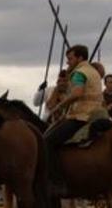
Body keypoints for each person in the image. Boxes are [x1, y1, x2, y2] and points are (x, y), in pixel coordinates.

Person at [43, 45, 103, 194]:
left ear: (80, 58)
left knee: (47, 141)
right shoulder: (93, 72)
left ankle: (56, 181)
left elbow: (77, 93)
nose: (68, 63)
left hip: (81, 116)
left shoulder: (79, 73)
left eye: (70, 59)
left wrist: (58, 108)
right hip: (97, 114)